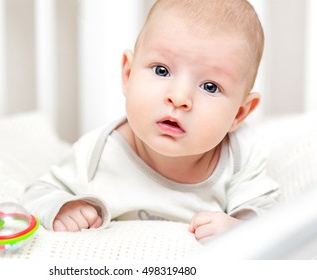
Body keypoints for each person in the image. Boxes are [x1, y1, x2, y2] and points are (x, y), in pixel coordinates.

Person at [21, 0, 279, 242]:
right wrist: (65, 207)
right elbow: (39, 192)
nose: (179, 98)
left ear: (239, 114)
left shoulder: (241, 157)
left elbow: (272, 217)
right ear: (128, 74)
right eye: (162, 70)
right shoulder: (98, 153)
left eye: (210, 87)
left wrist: (240, 230)